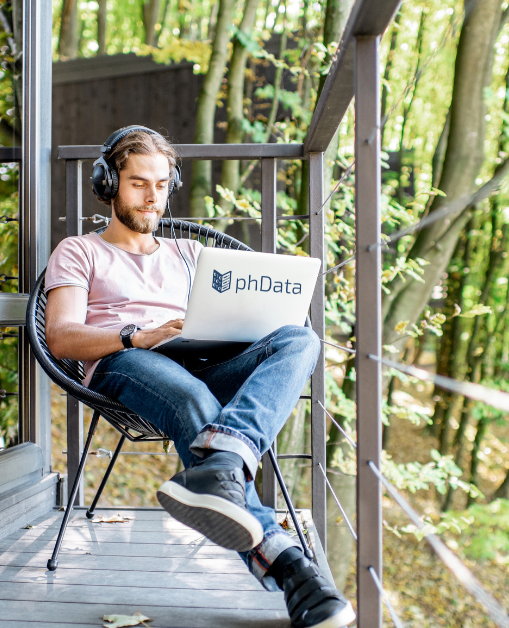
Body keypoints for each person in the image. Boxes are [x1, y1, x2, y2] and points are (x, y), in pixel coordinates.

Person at [43, 126, 355, 628]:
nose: (152, 197)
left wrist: (242, 328)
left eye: (162, 184)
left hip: (204, 360)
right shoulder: (80, 251)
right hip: (127, 362)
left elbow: (234, 314)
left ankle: (224, 460)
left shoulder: (189, 254)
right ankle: (297, 572)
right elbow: (60, 336)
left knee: (300, 339)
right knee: (192, 400)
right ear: (108, 184)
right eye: (138, 183)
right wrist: (134, 336)